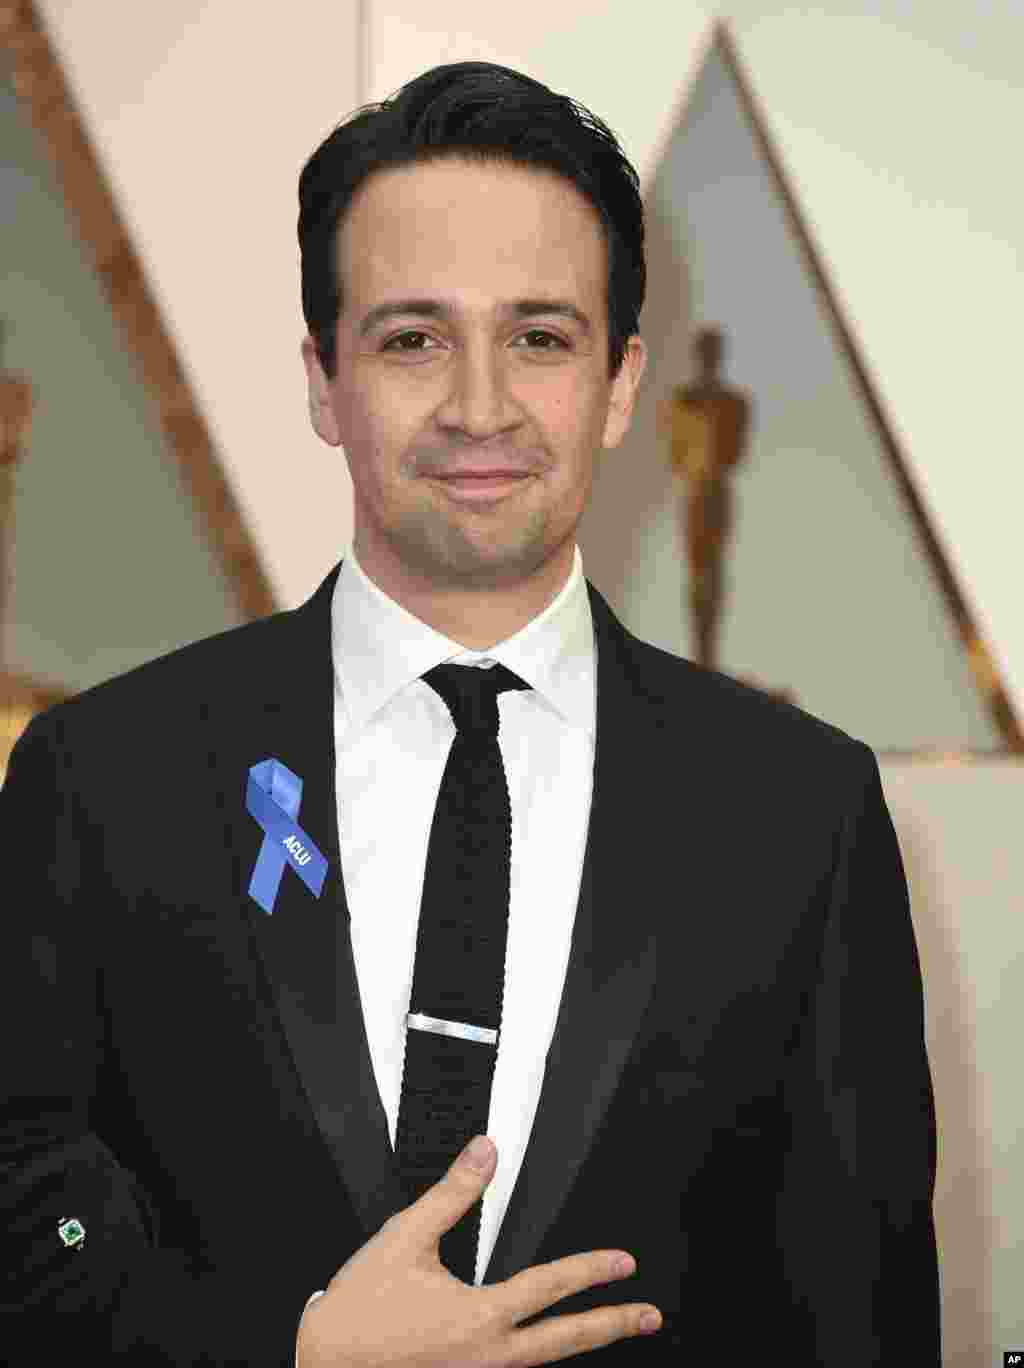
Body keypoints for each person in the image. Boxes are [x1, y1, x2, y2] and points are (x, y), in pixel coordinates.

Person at [0, 61, 941, 1366]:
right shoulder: (105, 778)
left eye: (540, 337)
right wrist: (293, 1354)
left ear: (618, 387)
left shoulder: (799, 814)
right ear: (324, 382)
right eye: (413, 338)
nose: (480, 407)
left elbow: (858, 1304)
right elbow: (21, 1211)